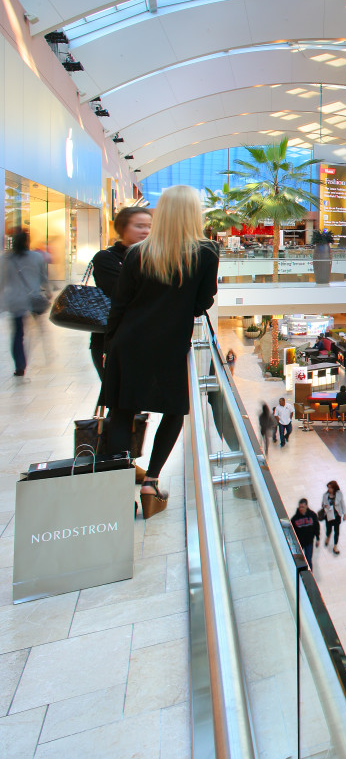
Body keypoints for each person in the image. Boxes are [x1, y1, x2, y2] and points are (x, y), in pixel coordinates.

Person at [103, 185, 219, 519]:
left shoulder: (138, 253)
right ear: (193, 214)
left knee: (122, 412)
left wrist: (110, 347)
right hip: (169, 347)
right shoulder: (206, 252)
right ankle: (151, 483)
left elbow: (120, 306)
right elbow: (202, 303)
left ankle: (118, 485)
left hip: (128, 343)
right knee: (173, 412)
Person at [88, 207, 152, 402]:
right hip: (112, 341)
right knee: (119, 403)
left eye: (149, 226)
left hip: (143, 340)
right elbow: (122, 295)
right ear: (122, 228)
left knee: (134, 401)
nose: (145, 231)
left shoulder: (153, 257)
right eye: (139, 226)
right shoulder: (106, 258)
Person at [1, 228, 50, 378]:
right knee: (38, 329)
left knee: (17, 334)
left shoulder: (6, 259)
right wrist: (48, 291)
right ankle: (46, 352)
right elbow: (43, 277)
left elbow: (2, 281)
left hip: (15, 301)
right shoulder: (36, 257)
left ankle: (20, 365)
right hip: (32, 299)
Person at [291, 498, 320, 569]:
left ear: (306, 506)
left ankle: (310, 575)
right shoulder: (295, 519)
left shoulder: (312, 515)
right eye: (300, 507)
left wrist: (317, 538)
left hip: (309, 542)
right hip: (299, 543)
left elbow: (316, 527)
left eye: (303, 507)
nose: (301, 509)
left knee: (308, 560)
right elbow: (292, 531)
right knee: (299, 560)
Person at [321, 480, 346, 554]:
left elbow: (342, 504)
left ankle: (335, 546)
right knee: (328, 529)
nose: (329, 489)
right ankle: (328, 537)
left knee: (336, 531)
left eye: (330, 488)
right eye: (328, 488)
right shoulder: (325, 495)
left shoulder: (339, 494)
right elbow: (323, 504)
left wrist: (344, 514)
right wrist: (325, 506)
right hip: (328, 515)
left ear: (334, 488)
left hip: (337, 516)